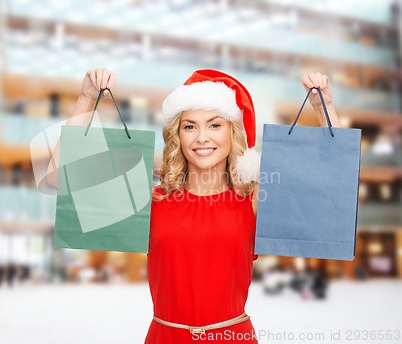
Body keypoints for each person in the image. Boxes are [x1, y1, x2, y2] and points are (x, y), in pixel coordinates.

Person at [46, 68, 341, 343]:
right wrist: (85, 99)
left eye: (215, 125)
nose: (202, 137)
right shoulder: (153, 200)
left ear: (232, 132)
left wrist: (323, 107)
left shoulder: (253, 200)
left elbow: (332, 187)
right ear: (178, 135)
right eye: (190, 126)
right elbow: (61, 177)